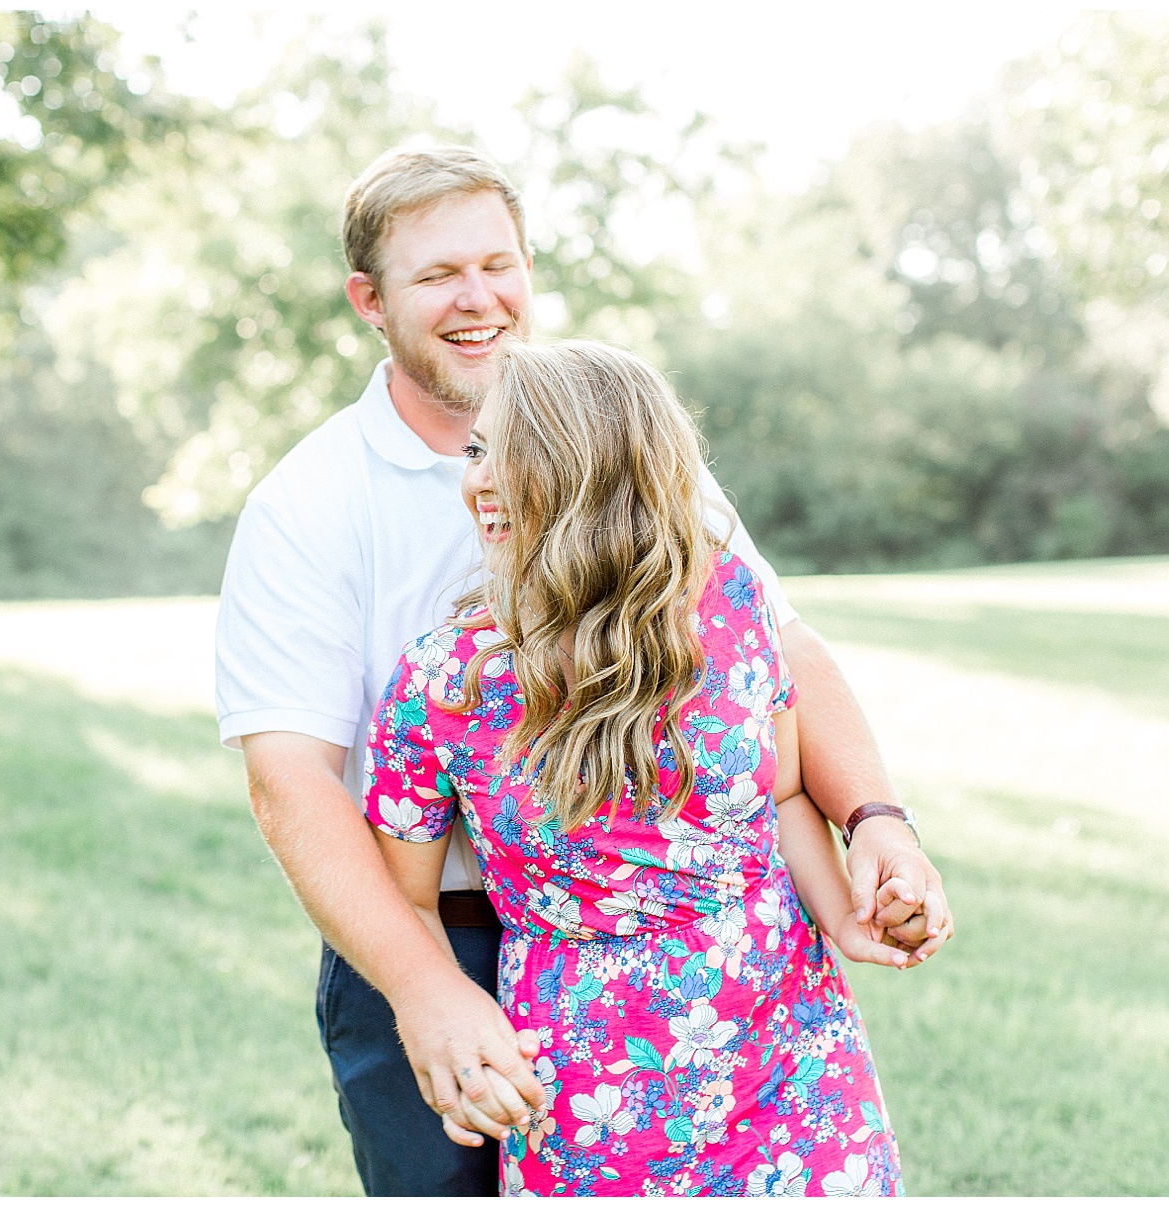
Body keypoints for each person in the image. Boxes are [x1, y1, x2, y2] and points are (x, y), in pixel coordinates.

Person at [213, 145, 950, 1197]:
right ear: (369, 300)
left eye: (497, 264)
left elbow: (779, 670)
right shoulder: (310, 506)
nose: (479, 298)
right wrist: (426, 990)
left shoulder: (632, 459)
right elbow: (288, 779)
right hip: (447, 941)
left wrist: (875, 821)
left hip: (740, 973)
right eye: (437, 275)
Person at [364, 339, 905, 1195]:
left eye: (514, 454)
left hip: (793, 1057)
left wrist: (844, 915)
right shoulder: (444, 682)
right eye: (476, 450)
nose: (479, 481)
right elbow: (407, 898)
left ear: (599, 475)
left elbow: (784, 793)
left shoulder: (730, 601)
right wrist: (456, 1029)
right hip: (593, 1092)